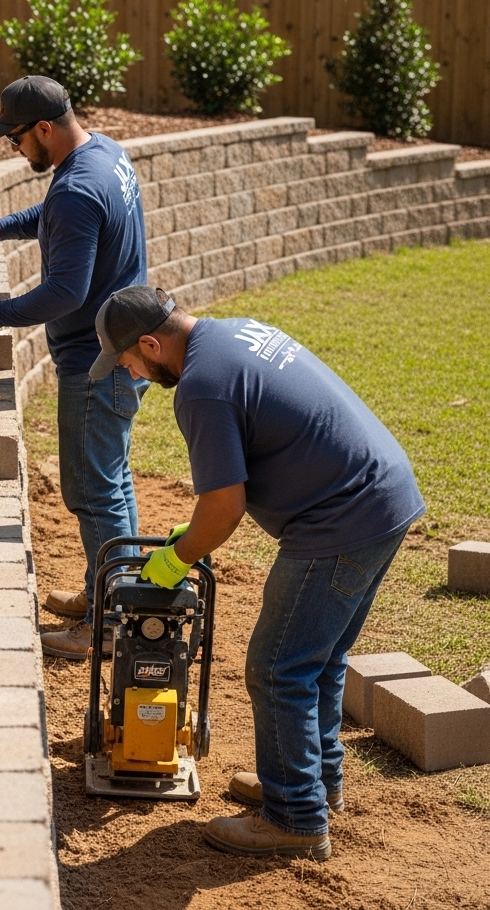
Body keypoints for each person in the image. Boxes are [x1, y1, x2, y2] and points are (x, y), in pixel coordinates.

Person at [89, 284, 425, 861]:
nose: (129, 372)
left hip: (340, 518)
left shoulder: (200, 387)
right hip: (383, 495)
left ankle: (294, 818)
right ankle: (312, 785)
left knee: (277, 669)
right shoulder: (233, 333)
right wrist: (190, 537)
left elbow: (225, 506)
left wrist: (176, 558)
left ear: (150, 344)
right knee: (319, 660)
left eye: (127, 361)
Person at [0, 75, 148, 659]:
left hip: (95, 365)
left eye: (15, 139)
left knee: (93, 493)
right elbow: (61, 214)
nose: (14, 149)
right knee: (112, 481)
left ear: (43, 129)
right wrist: (1, 228)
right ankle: (111, 593)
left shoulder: (76, 188)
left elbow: (65, 292)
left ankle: (109, 626)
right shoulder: (104, 153)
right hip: (123, 349)